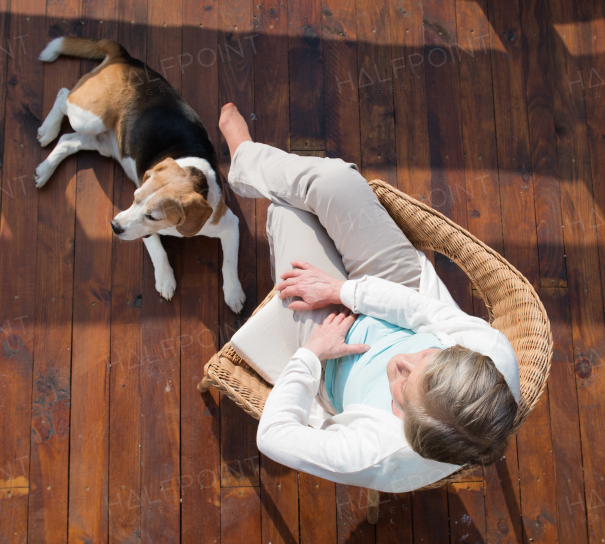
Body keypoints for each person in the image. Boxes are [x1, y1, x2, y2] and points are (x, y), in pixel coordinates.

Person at [218, 103, 519, 493]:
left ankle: (256, 169)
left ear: (405, 424)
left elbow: (273, 435)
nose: (401, 360)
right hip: (399, 289)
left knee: (288, 211)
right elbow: (422, 311)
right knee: (335, 181)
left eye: (402, 385)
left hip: (328, 352)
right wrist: (341, 290)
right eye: (429, 355)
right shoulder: (491, 354)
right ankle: (244, 158)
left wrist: (311, 355)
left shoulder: (376, 453)